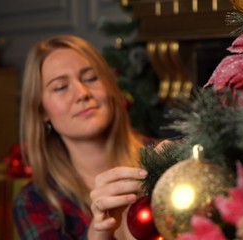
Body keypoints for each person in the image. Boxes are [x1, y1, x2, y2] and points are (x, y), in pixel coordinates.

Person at [13, 34, 153, 240]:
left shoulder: (162, 155)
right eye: (60, 87)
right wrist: (98, 234)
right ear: (41, 110)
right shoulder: (33, 201)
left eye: (91, 78)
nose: (82, 93)